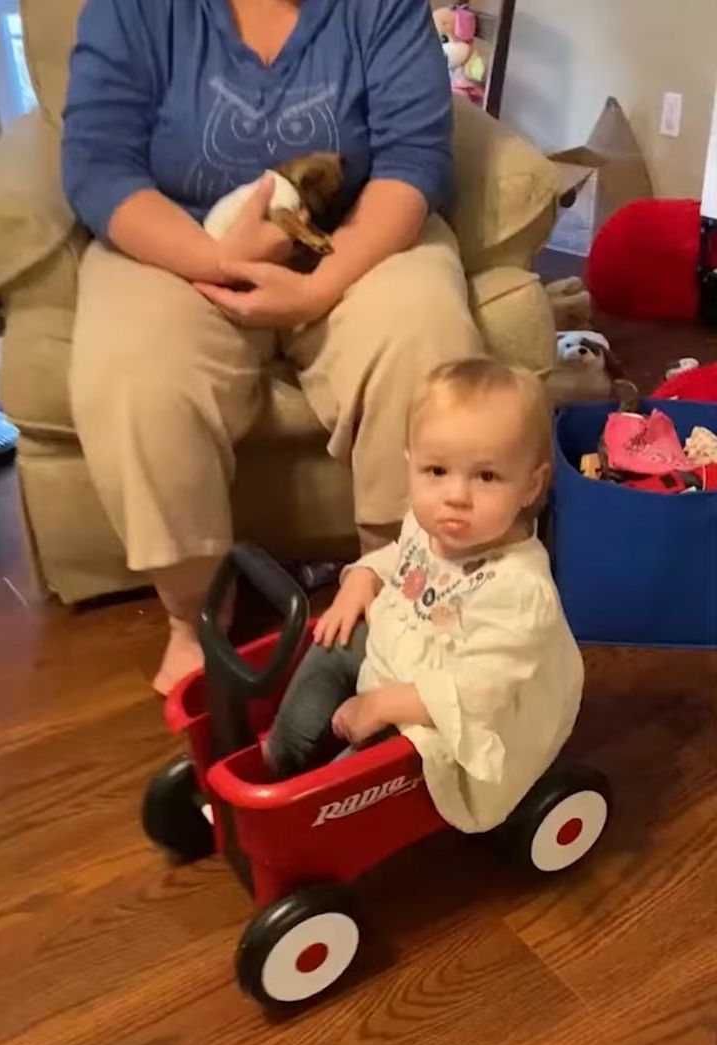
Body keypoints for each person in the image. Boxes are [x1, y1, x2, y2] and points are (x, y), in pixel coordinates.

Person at [61, 0, 484, 695]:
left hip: (350, 238)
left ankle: (394, 585)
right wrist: (214, 259)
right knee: (133, 374)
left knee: (424, 334)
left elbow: (414, 160)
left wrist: (319, 288)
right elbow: (98, 167)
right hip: (178, 241)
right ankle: (197, 614)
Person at [266, 359, 585, 833]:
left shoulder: (519, 591)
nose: (456, 496)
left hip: (459, 710)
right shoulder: (430, 524)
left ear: (530, 486)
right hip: (406, 652)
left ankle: (314, 814)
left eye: (487, 477)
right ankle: (283, 758)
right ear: (410, 464)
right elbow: (405, 560)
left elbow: (485, 690)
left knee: (382, 758)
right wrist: (364, 575)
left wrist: (385, 706)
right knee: (333, 640)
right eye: (436, 470)